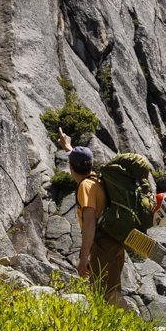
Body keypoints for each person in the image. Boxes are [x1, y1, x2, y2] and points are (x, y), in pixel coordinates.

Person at [62, 132, 125, 309]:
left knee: (108, 295)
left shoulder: (85, 186)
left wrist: (83, 258)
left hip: (103, 247)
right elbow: (79, 159)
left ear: (71, 168)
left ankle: (135, 327)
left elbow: (89, 223)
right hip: (114, 243)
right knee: (104, 294)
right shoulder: (96, 178)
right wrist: (67, 146)